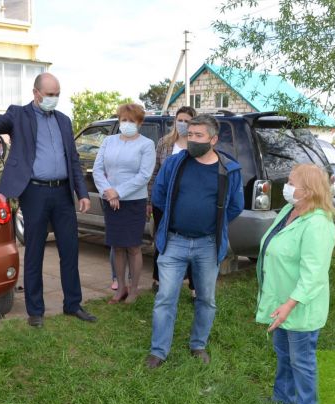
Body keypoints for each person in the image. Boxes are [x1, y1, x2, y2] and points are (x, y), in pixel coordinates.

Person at [0, 72, 96, 326]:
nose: (54, 99)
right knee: (34, 251)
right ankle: (35, 311)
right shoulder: (19, 115)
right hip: (34, 192)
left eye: (57, 94)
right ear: (36, 93)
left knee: (70, 250)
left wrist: (82, 192)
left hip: (62, 193)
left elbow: (73, 159)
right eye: (49, 95)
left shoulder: (64, 121)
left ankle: (73, 304)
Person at [146, 114, 244, 368]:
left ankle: (198, 345)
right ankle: (158, 351)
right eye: (190, 135)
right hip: (174, 241)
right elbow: (159, 195)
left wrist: (212, 225)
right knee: (166, 296)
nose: (192, 140)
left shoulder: (228, 169)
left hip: (207, 245)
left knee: (206, 298)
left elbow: (235, 206)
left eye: (198, 136)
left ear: (213, 139)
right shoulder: (175, 163)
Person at [254, 164, 335, 404]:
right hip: (281, 302)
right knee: (283, 354)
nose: (286, 187)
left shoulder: (318, 223)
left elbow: (313, 274)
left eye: (292, 183)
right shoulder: (291, 211)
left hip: (299, 306)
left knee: (301, 359)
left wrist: (289, 304)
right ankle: (283, 396)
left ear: (309, 191)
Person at [93, 103, 155, 304]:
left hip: (133, 201)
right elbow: (97, 170)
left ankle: (134, 289)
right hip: (111, 201)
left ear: (140, 123)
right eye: (123, 120)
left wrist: (118, 192)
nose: (127, 124)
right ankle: (121, 288)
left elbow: (144, 175)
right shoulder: (108, 141)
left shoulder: (146, 145)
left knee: (133, 247)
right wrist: (109, 192)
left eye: (131, 121)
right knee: (117, 246)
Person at [150, 106, 197, 297]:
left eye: (187, 121)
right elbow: (155, 172)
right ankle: (158, 278)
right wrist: (149, 198)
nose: (183, 124)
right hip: (163, 200)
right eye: (180, 120)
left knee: (192, 242)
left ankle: (194, 287)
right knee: (162, 239)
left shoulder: (197, 144)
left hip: (188, 202)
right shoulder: (164, 143)